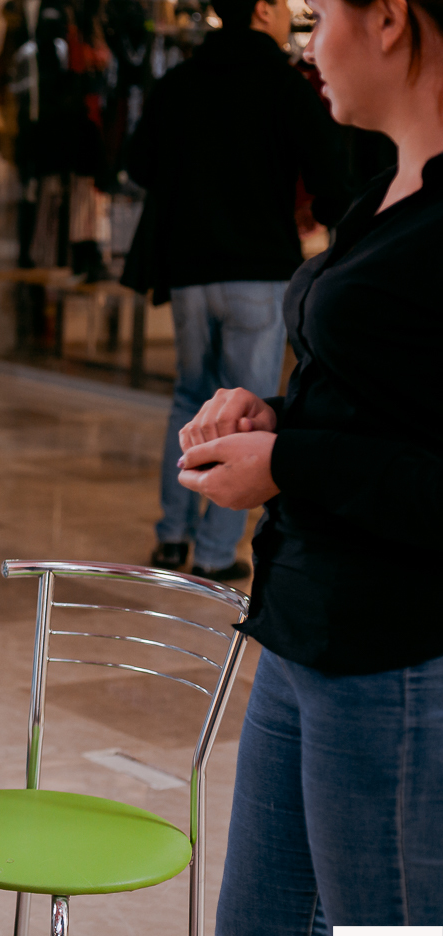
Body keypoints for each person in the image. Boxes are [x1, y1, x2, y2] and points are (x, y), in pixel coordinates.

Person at [174, 0, 443, 936]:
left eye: (320, 15)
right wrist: (275, 422)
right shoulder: (385, 188)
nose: (309, 43)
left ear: (391, 21)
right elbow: (394, 402)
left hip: (401, 665)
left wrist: (289, 464)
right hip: (305, 636)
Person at [127, 0, 352, 580]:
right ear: (263, 9)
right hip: (258, 265)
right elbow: (330, 172)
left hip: (189, 270)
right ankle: (214, 552)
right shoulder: (283, 83)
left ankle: (171, 537)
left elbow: (140, 164)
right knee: (245, 409)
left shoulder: (179, 80)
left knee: (189, 398)